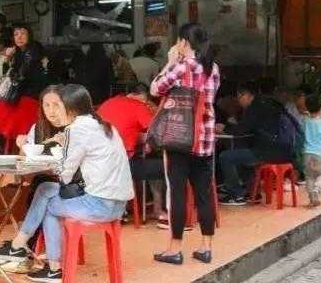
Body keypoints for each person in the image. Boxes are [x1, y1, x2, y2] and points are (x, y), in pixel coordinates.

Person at [0, 85, 132, 283]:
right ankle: (18, 245)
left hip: (101, 204)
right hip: (116, 203)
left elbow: (65, 176)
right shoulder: (102, 125)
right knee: (44, 188)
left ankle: (54, 269)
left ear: (71, 108)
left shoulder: (78, 130)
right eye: (47, 106)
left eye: (58, 106)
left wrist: (47, 155)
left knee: (50, 207)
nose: (52, 112)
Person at [150, 23, 220, 265]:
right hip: (206, 139)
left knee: (177, 193)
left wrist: (169, 62)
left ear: (183, 42)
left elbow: (155, 89)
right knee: (204, 193)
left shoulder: (181, 66)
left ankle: (174, 249)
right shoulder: (214, 68)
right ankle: (206, 247)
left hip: (179, 139)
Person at [218, 79, 300, 205]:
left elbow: (241, 130)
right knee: (242, 152)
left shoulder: (255, 107)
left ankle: (236, 195)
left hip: (269, 151)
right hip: (287, 151)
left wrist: (223, 128)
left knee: (226, 157)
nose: (238, 102)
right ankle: (252, 192)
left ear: (246, 95)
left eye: (239, 97)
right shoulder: (271, 103)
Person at [98, 82, 164, 219]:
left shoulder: (108, 103)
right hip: (123, 165)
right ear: (141, 97)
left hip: (99, 163)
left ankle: (128, 207)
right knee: (161, 166)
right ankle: (158, 210)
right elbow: (157, 132)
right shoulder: (138, 106)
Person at [0, 24, 48, 147]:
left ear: (29, 36)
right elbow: (11, 76)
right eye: (16, 34)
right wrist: (8, 59)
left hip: (29, 101)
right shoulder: (20, 53)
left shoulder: (32, 51)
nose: (19, 37)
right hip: (20, 98)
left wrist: (7, 59)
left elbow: (17, 78)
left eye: (23, 33)